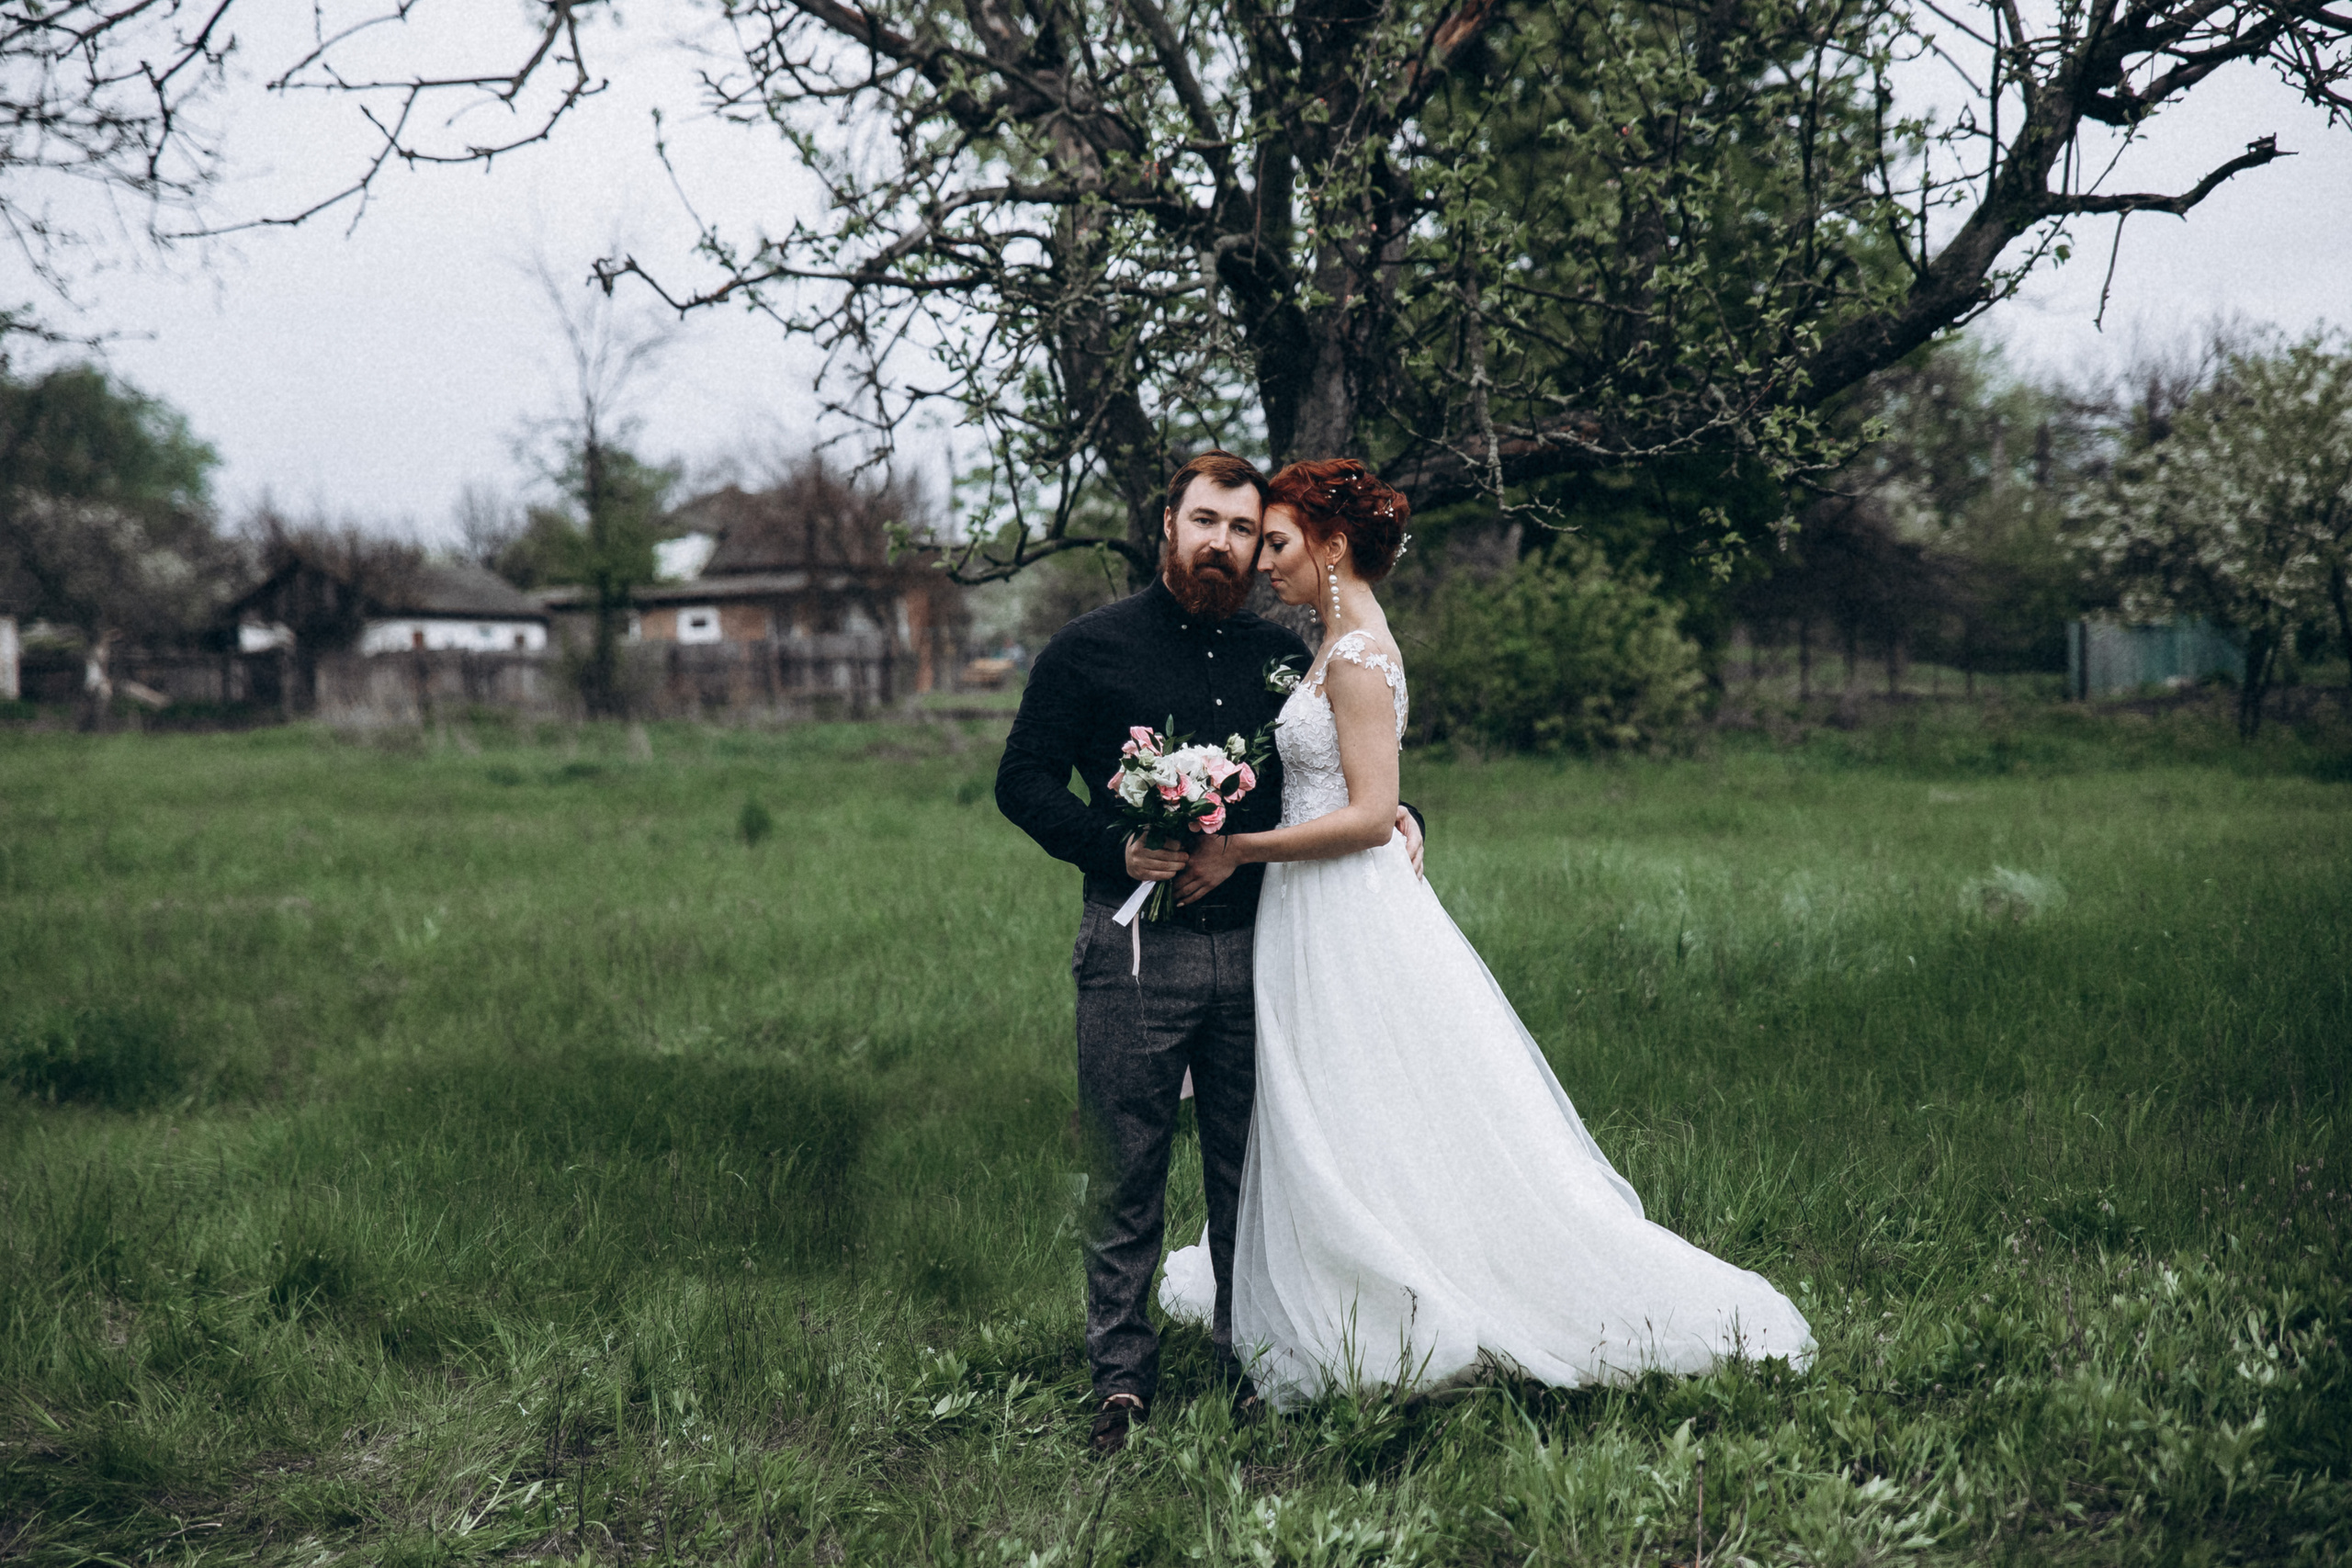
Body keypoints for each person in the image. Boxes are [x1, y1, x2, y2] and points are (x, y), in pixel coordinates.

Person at [1161, 459, 1815, 1407]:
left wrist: (1237, 849)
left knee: (1359, 1097)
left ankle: (1405, 1292)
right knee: (1340, 1105)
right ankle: (1351, 1274)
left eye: (1278, 542)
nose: (1264, 561)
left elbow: (1368, 810)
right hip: (1313, 909)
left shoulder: (1352, 657)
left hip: (1345, 908)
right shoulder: (1332, 645)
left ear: (1331, 546)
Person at [993, 451, 1426, 1456]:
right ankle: (1120, 1377)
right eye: (1206, 522)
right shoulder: (1087, 648)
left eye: (1242, 530)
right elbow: (1021, 782)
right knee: (1126, 1164)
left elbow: (1333, 771)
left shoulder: (1281, 652)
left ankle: (1250, 1356)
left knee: (1249, 1171)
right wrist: (1113, 844)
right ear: (1166, 528)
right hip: (1134, 951)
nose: (1224, 545)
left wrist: (1399, 811)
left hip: (1262, 949)